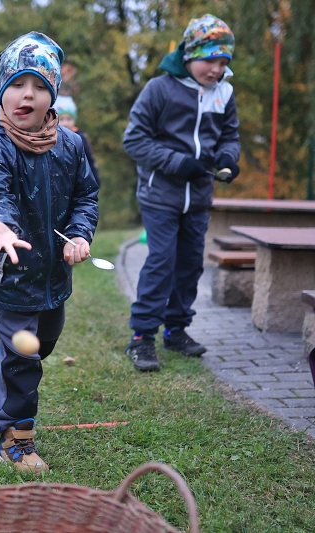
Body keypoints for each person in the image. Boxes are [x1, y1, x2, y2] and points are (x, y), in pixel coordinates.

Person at [0, 31, 99, 473]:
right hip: (12, 277)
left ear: (54, 96)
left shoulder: (71, 146)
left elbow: (87, 196)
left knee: (42, 344)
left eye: (41, 86)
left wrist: (81, 234)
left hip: (53, 278)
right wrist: (2, 226)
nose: (28, 94)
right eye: (18, 84)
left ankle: (10, 355)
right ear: (2, 90)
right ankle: (14, 441)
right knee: (25, 361)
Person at [122, 14, 240, 372]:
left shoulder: (224, 93)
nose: (217, 70)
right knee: (161, 262)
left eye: (223, 62)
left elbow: (230, 137)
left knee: (190, 265)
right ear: (189, 54)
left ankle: (176, 330)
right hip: (161, 196)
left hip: (199, 198)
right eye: (210, 60)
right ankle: (142, 337)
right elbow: (135, 140)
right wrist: (177, 162)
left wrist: (229, 159)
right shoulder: (160, 89)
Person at [55, 95, 100, 186]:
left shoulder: (80, 137)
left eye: (69, 119)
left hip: (78, 179)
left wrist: (94, 179)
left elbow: (89, 159)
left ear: (74, 120)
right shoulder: (53, 138)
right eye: (62, 119)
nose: (65, 123)